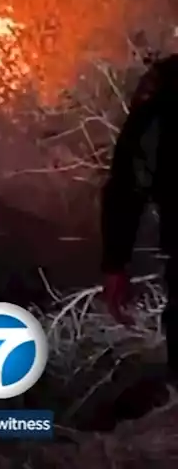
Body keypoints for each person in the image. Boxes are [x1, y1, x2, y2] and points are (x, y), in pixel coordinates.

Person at [101, 53, 178, 374]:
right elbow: (129, 181)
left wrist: (116, 263)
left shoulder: (165, 89)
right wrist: (116, 261)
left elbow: (129, 182)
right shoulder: (166, 90)